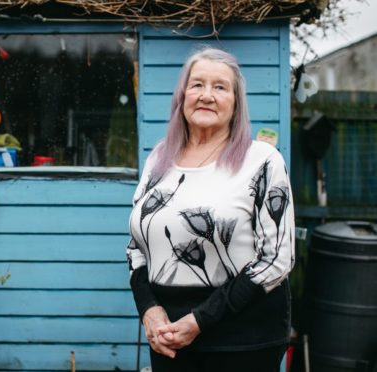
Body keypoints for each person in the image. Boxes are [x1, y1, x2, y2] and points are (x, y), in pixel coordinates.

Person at [127, 47, 295, 372]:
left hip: (243, 339)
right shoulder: (160, 158)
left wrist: (200, 320)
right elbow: (136, 248)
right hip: (169, 336)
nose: (206, 95)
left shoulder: (261, 160)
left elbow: (277, 259)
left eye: (220, 87)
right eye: (197, 85)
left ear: (236, 103)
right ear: (182, 96)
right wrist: (149, 310)